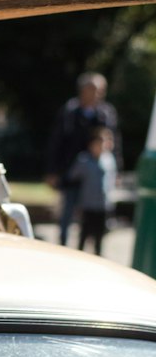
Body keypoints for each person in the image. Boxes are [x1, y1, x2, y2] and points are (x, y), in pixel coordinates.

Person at [45, 72, 121, 246]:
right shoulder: (70, 112)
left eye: (102, 90)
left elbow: (115, 143)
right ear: (83, 90)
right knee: (67, 211)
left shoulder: (106, 113)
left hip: (96, 174)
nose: (99, 94)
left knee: (93, 215)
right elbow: (56, 142)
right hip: (71, 170)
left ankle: (88, 249)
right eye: (94, 89)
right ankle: (63, 244)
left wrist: (117, 170)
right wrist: (52, 170)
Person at [69, 125, 117, 254]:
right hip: (87, 204)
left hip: (103, 205)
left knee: (99, 239)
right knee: (83, 236)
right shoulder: (84, 160)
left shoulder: (109, 159)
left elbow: (112, 180)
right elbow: (73, 177)